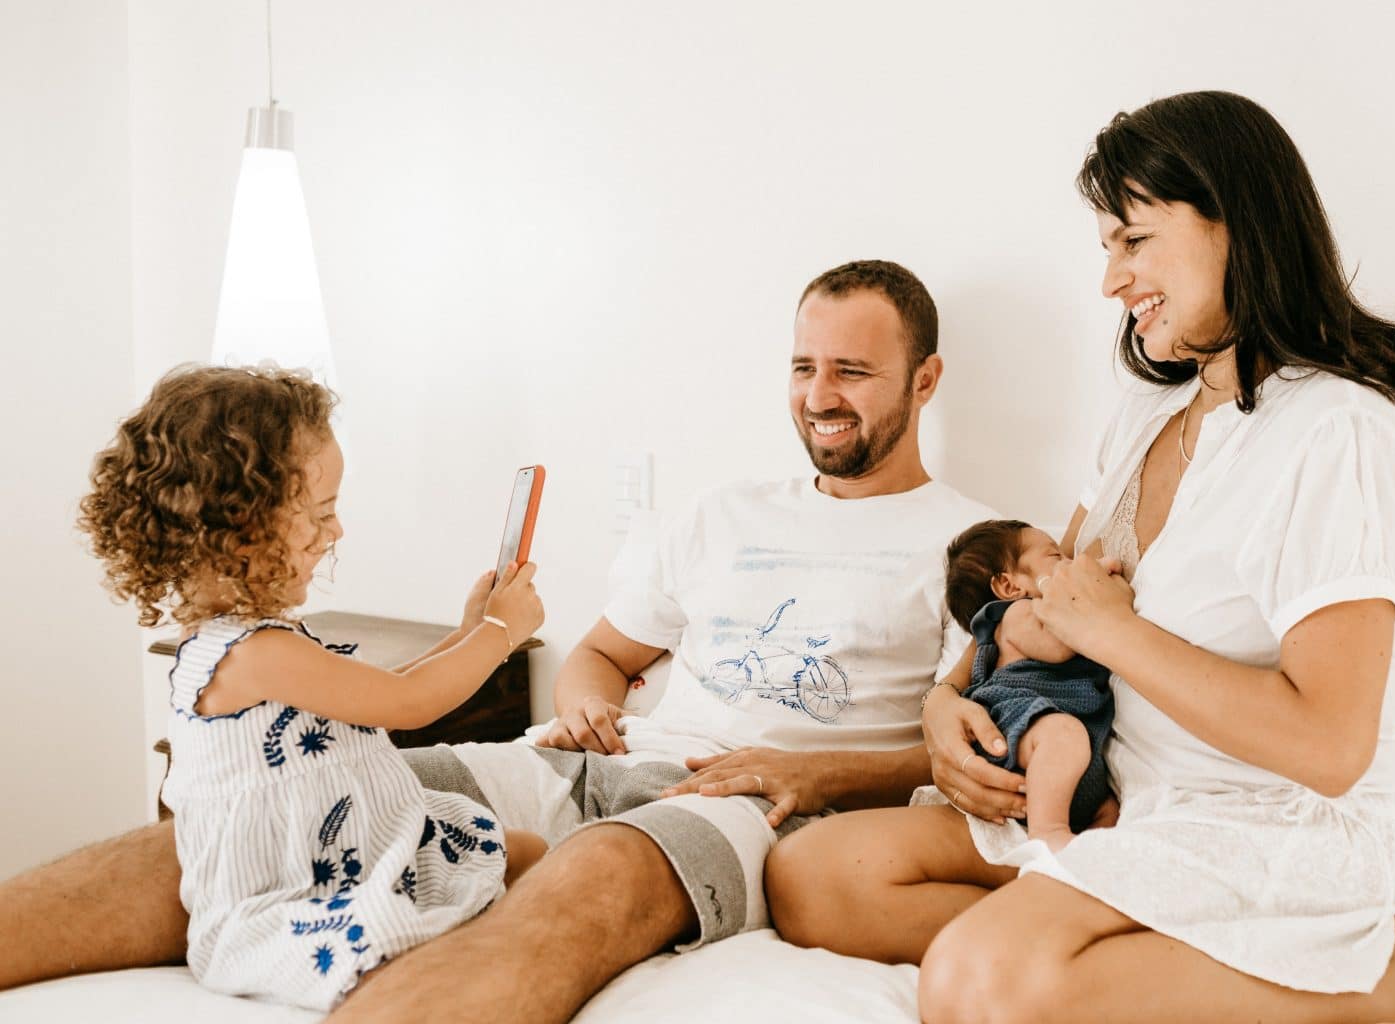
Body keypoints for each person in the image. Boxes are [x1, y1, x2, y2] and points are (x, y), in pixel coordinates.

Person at [0, 259, 997, 1024]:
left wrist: (817, 776)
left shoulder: (975, 544)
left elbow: (977, 752)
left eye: (854, 371)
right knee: (309, 808)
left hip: (749, 803)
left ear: (926, 378)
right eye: (804, 365)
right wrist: (583, 702)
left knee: (592, 877)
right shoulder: (721, 513)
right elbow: (603, 655)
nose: (820, 393)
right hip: (580, 762)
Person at [767, 91, 1395, 1022]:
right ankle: (1121, 938)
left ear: (1236, 225)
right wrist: (944, 698)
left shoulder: (1339, 427)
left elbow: (1330, 747)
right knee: (814, 876)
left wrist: (1116, 634)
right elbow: (1053, 594)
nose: (1112, 281)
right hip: (1128, 793)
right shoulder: (1148, 415)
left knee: (977, 983)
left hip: (1284, 819)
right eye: (1107, 248)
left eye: (1134, 241)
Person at [74, 365, 548, 1009]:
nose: (338, 532)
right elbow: (410, 706)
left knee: (521, 852)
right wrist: (500, 631)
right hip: (300, 889)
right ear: (238, 526)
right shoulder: (253, 654)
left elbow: (378, 693)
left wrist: (469, 632)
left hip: (357, 851)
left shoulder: (256, 640)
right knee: (416, 930)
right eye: (322, 513)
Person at [934, 519, 1113, 851]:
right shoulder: (1017, 615)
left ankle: (1088, 848)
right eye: (1055, 556)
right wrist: (1097, 582)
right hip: (1018, 726)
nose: (1071, 563)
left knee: (1110, 808)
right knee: (1063, 734)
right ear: (1008, 586)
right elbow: (1061, 644)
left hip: (1068, 752)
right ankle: (1048, 832)